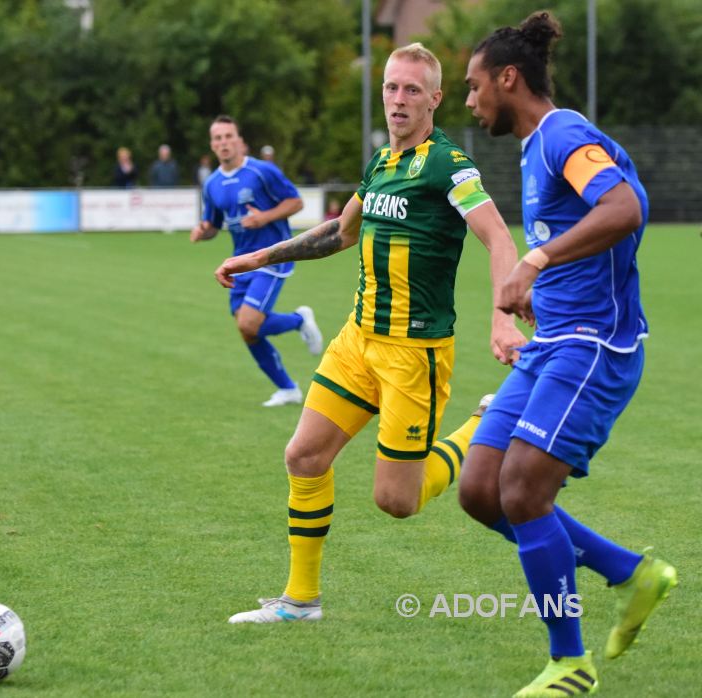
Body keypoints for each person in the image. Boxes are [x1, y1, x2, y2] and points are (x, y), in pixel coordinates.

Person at [215, 43, 525, 623]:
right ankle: (300, 601)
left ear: (435, 98)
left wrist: (502, 315)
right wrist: (260, 258)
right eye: (390, 87)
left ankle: (489, 423)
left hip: (414, 355)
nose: (399, 99)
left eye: (412, 89)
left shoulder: (447, 164)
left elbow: (500, 238)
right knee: (304, 456)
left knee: (396, 502)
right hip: (358, 341)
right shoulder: (382, 162)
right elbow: (338, 233)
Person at [460, 11, 677, 697]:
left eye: (472, 87)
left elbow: (624, 207)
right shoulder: (532, 148)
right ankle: (631, 572)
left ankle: (570, 664)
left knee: (523, 490)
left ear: (507, 78)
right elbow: (589, 228)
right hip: (553, 340)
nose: (470, 102)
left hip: (594, 347)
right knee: (479, 491)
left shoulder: (563, 134)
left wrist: (536, 258)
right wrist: (540, 288)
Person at [191, 115, 323, 407]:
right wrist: (203, 231)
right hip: (241, 262)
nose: (224, 143)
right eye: (218, 138)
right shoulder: (212, 184)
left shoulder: (262, 171)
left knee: (249, 324)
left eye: (228, 136)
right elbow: (213, 224)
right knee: (247, 330)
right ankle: (288, 388)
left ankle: (300, 320)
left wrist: (264, 217)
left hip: (273, 257)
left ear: (238, 140)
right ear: (212, 145)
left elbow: (296, 202)